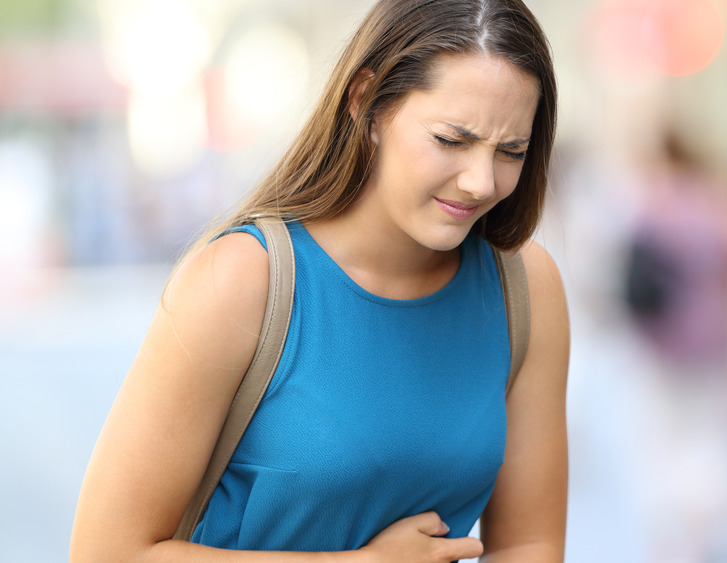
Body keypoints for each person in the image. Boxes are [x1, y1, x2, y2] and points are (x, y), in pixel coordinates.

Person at [70, 0, 568, 561]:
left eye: (511, 151)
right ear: (366, 103)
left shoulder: (524, 288)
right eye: (451, 140)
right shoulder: (241, 281)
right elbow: (106, 552)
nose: (481, 181)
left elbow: (530, 543)